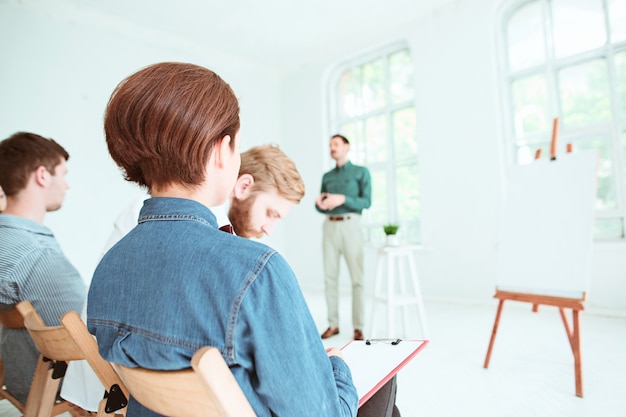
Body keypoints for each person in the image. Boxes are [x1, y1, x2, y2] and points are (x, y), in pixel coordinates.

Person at [86, 62, 359, 417]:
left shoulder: (107, 270)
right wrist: (337, 370)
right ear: (221, 149)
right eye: (237, 146)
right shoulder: (258, 271)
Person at [0, 132, 86, 404]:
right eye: (62, 174)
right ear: (42, 176)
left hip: (16, 382)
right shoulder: (37, 256)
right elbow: (84, 340)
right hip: (50, 390)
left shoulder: (9, 243)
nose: (66, 185)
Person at [315, 134, 372, 341]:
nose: (332, 148)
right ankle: (333, 324)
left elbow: (366, 202)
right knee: (330, 277)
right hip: (329, 227)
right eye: (330, 145)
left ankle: (358, 327)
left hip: (351, 226)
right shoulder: (327, 176)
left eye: (336, 144)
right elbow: (320, 204)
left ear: (347, 147)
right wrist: (319, 202)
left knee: (357, 279)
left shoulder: (360, 172)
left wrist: (343, 199)